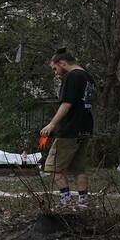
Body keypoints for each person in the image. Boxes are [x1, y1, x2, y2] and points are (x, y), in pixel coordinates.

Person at [41, 50, 95, 209]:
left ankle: (65, 203)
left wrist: (52, 124)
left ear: (62, 63)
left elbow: (67, 103)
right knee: (79, 168)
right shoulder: (88, 77)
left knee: (54, 167)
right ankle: (83, 203)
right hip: (85, 128)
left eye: (55, 68)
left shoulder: (72, 76)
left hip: (70, 129)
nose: (55, 72)